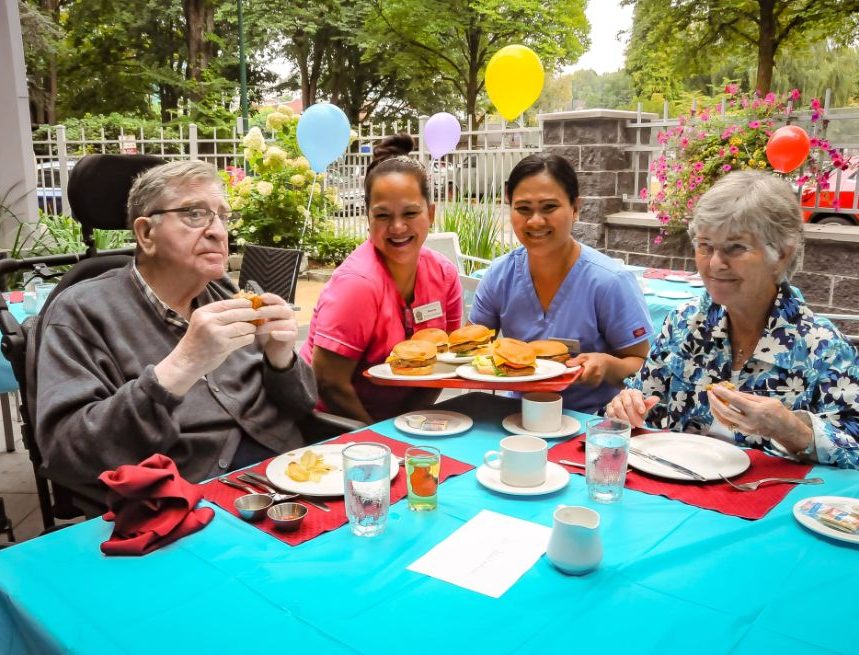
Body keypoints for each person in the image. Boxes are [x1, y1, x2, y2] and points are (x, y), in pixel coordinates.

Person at [36, 160, 317, 501]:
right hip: (189, 504)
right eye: (195, 214)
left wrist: (280, 358)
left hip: (294, 476)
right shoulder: (80, 311)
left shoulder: (228, 295)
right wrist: (182, 365)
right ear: (146, 233)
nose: (218, 231)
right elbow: (67, 453)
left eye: (223, 216)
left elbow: (303, 405)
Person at [607, 170, 859, 469]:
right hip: (674, 493)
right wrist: (624, 407)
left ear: (781, 253)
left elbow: (853, 447)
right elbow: (641, 404)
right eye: (705, 245)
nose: (715, 263)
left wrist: (794, 430)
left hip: (767, 507)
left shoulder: (823, 347)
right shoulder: (684, 324)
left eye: (735, 248)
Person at [469, 152, 653, 414]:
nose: (535, 221)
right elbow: (472, 346)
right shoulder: (500, 275)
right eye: (523, 209)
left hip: (590, 423)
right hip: (515, 416)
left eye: (549, 207)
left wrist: (608, 366)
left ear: (575, 208)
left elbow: (643, 363)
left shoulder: (609, 281)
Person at [300, 134, 462, 423]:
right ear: (368, 218)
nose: (398, 227)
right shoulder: (358, 284)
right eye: (383, 215)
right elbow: (329, 384)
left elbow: (443, 365)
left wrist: (408, 423)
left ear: (431, 213)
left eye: (411, 213)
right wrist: (380, 437)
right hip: (337, 426)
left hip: (401, 425)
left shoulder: (444, 275)